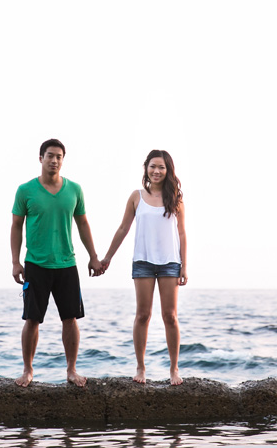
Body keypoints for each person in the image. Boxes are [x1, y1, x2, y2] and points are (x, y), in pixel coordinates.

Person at [11, 138, 104, 387]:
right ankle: (28, 370)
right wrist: (15, 261)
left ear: (63, 160)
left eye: (59, 156)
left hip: (66, 264)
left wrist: (93, 257)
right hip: (35, 264)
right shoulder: (25, 190)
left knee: (70, 318)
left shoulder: (74, 190)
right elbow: (16, 226)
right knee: (32, 319)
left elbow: (83, 224)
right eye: (50, 155)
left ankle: (71, 370)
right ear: (40, 158)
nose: (54, 160)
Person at [100, 149, 188, 386]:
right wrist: (107, 257)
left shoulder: (175, 198)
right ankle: (140, 367)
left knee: (170, 316)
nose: (156, 171)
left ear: (168, 170)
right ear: (146, 168)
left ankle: (174, 369)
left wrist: (184, 266)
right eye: (152, 166)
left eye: (161, 167)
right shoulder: (136, 196)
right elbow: (123, 228)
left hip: (170, 263)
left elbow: (181, 233)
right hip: (143, 262)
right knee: (143, 315)